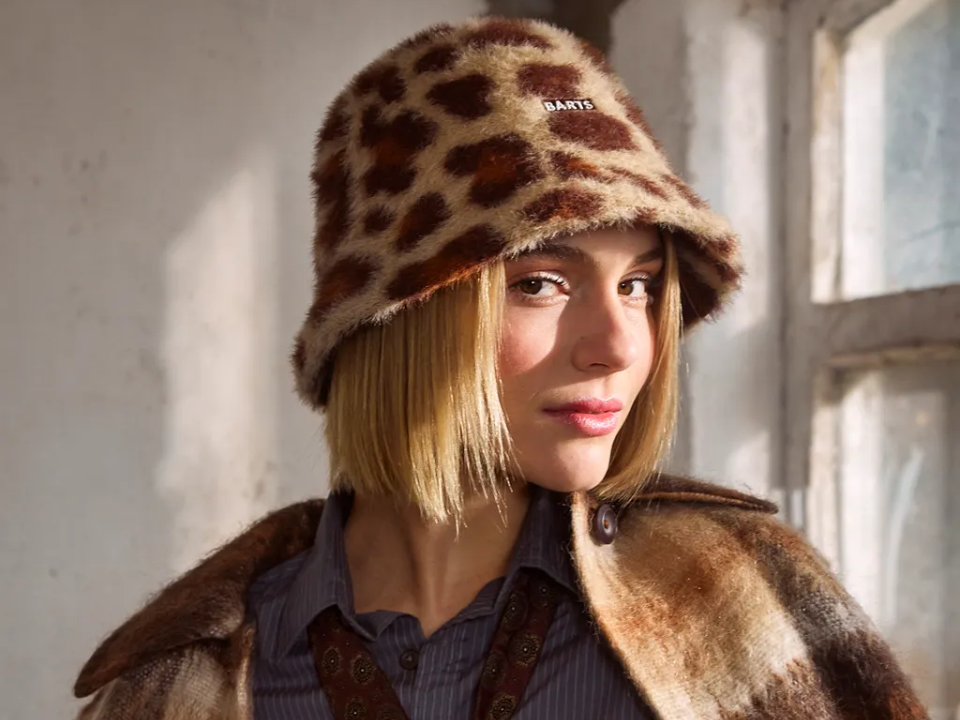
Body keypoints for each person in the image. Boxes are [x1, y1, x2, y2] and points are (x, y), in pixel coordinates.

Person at [72, 16, 929, 720]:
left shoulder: (746, 605)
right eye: (542, 283)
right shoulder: (177, 681)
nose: (619, 345)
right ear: (400, 318)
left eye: (639, 285)